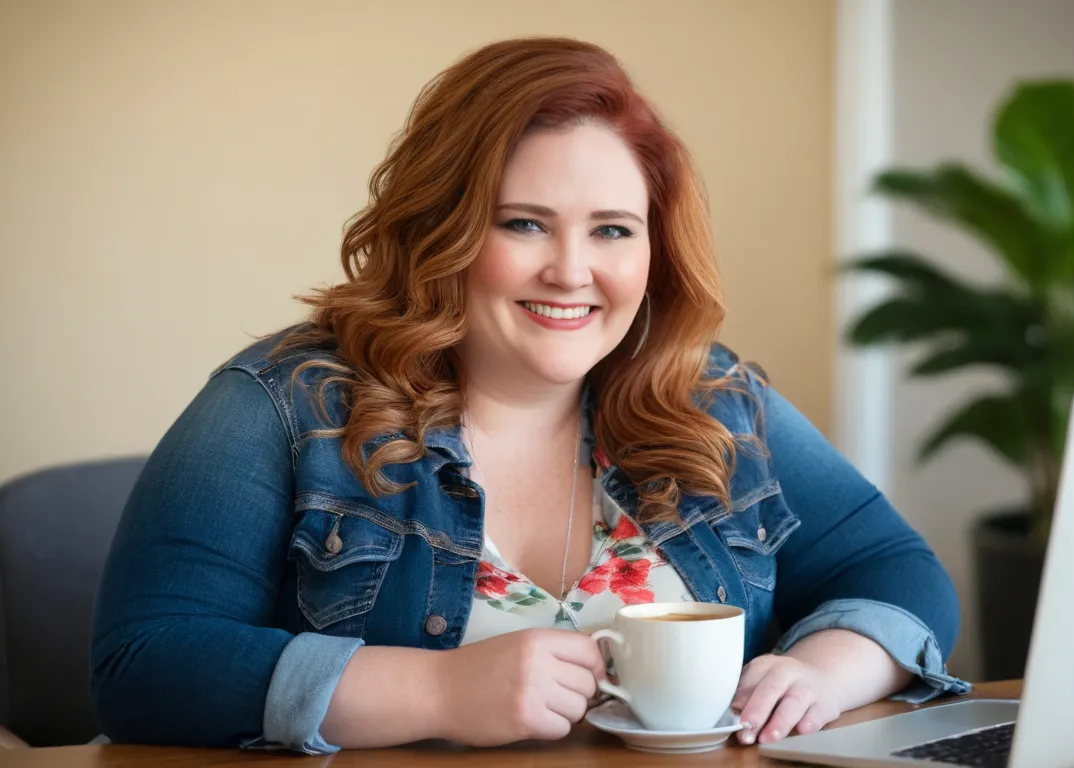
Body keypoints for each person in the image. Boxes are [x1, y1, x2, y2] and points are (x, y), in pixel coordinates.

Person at [90, 36, 970, 754]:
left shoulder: (708, 395)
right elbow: (145, 664)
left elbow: (895, 568)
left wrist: (826, 668)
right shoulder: (281, 404)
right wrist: (434, 691)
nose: (572, 272)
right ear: (443, 229)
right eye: (524, 224)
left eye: (613, 231)